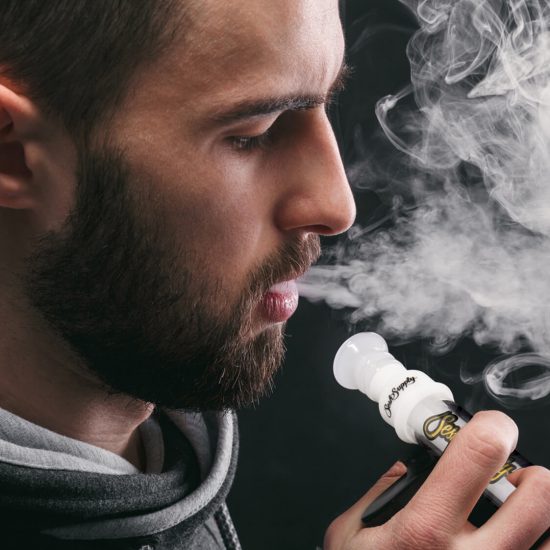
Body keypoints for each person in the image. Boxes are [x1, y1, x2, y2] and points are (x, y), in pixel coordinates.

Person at [0, 0, 547, 548]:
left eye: (326, 103)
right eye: (253, 132)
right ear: (13, 154)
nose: (337, 207)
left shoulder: (170, 452)